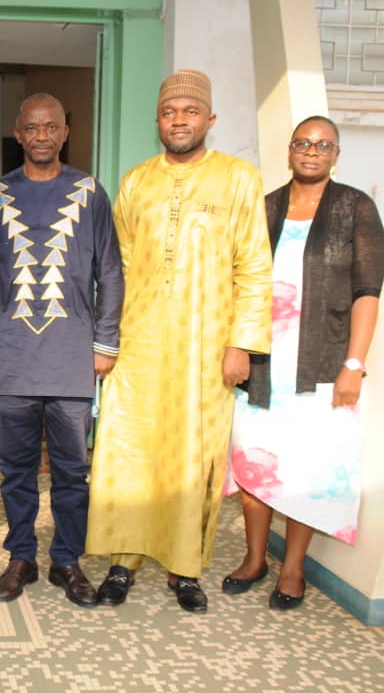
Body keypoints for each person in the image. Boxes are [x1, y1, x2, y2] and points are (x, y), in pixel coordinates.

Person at [84, 69, 273, 612]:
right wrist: (106, 338)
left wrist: (243, 343)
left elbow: (254, 266)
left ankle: (186, 568)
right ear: (158, 121)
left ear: (209, 120)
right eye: (170, 112)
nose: (180, 120)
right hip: (138, 345)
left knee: (194, 456)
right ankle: (123, 563)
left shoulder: (238, 178)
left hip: (205, 347)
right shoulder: (136, 181)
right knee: (129, 451)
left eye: (191, 112)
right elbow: (113, 268)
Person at [222, 116, 384, 610]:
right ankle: (255, 559)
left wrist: (354, 364)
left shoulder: (356, 208)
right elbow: (237, 285)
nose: (311, 152)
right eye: (303, 143)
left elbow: (367, 291)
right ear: (289, 150)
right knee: (254, 465)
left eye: (323, 145)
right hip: (262, 364)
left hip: (322, 365)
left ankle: (292, 569)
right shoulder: (264, 207)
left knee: (307, 470)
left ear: (336, 154)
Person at [0, 94, 123, 606]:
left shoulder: (88, 192)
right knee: (14, 467)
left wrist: (105, 342)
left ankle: (67, 560)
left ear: (65, 133)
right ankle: (21, 556)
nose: (41, 136)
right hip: (13, 356)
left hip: (70, 356)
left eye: (51, 127)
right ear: (18, 134)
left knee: (71, 469)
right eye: (31, 128)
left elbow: (110, 270)